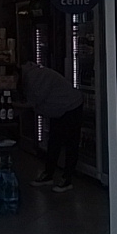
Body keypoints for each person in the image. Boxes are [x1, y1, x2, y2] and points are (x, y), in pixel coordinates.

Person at [15, 61, 84, 193]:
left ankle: (66, 178)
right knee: (54, 141)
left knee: (70, 143)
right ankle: (49, 174)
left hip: (70, 106)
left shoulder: (34, 77)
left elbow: (34, 101)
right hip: (60, 108)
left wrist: (14, 105)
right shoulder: (31, 75)